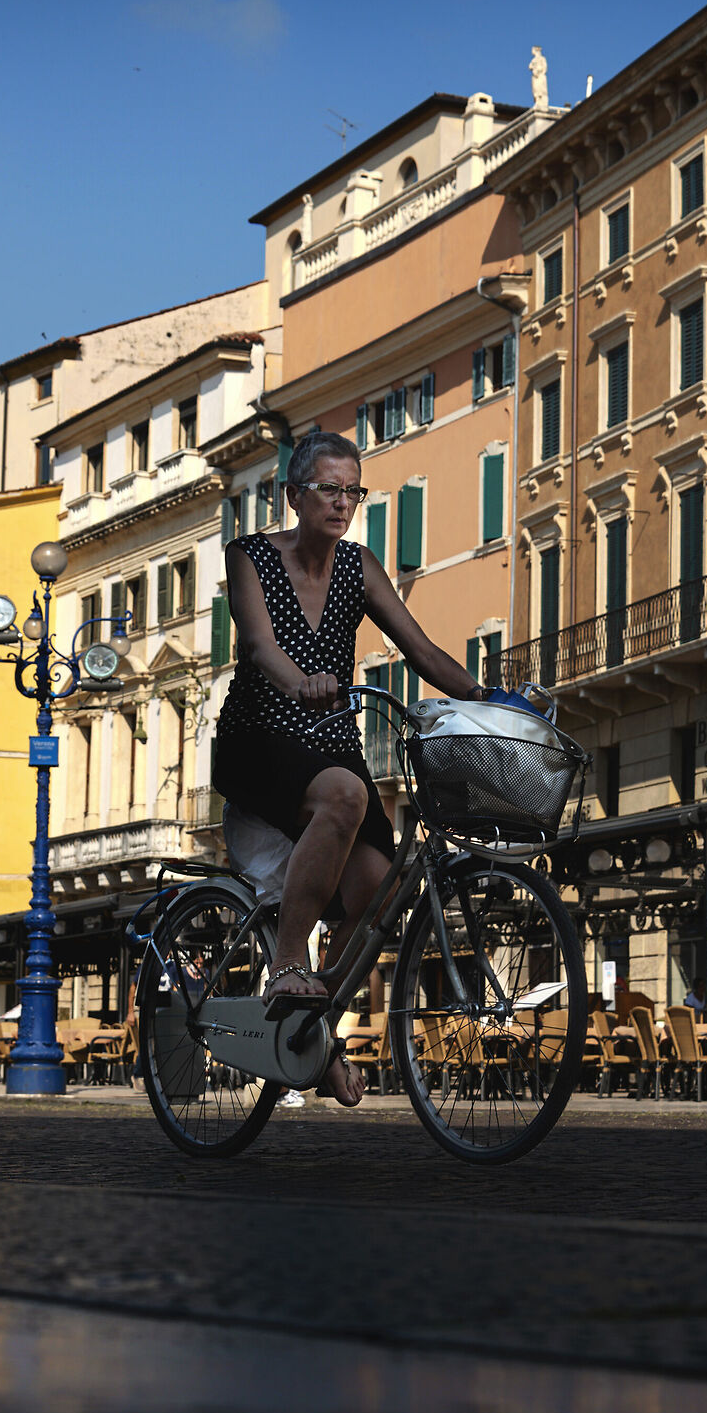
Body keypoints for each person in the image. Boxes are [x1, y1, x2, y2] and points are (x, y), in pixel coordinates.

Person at [214, 429, 516, 1109]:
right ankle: (286, 963)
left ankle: (313, 1034)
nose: (342, 502)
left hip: (330, 744)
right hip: (260, 737)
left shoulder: (358, 565)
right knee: (347, 795)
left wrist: (487, 698)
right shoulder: (250, 556)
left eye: (353, 491)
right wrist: (301, 683)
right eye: (329, 488)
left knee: (381, 892)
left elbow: (422, 651)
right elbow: (259, 645)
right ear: (294, 495)